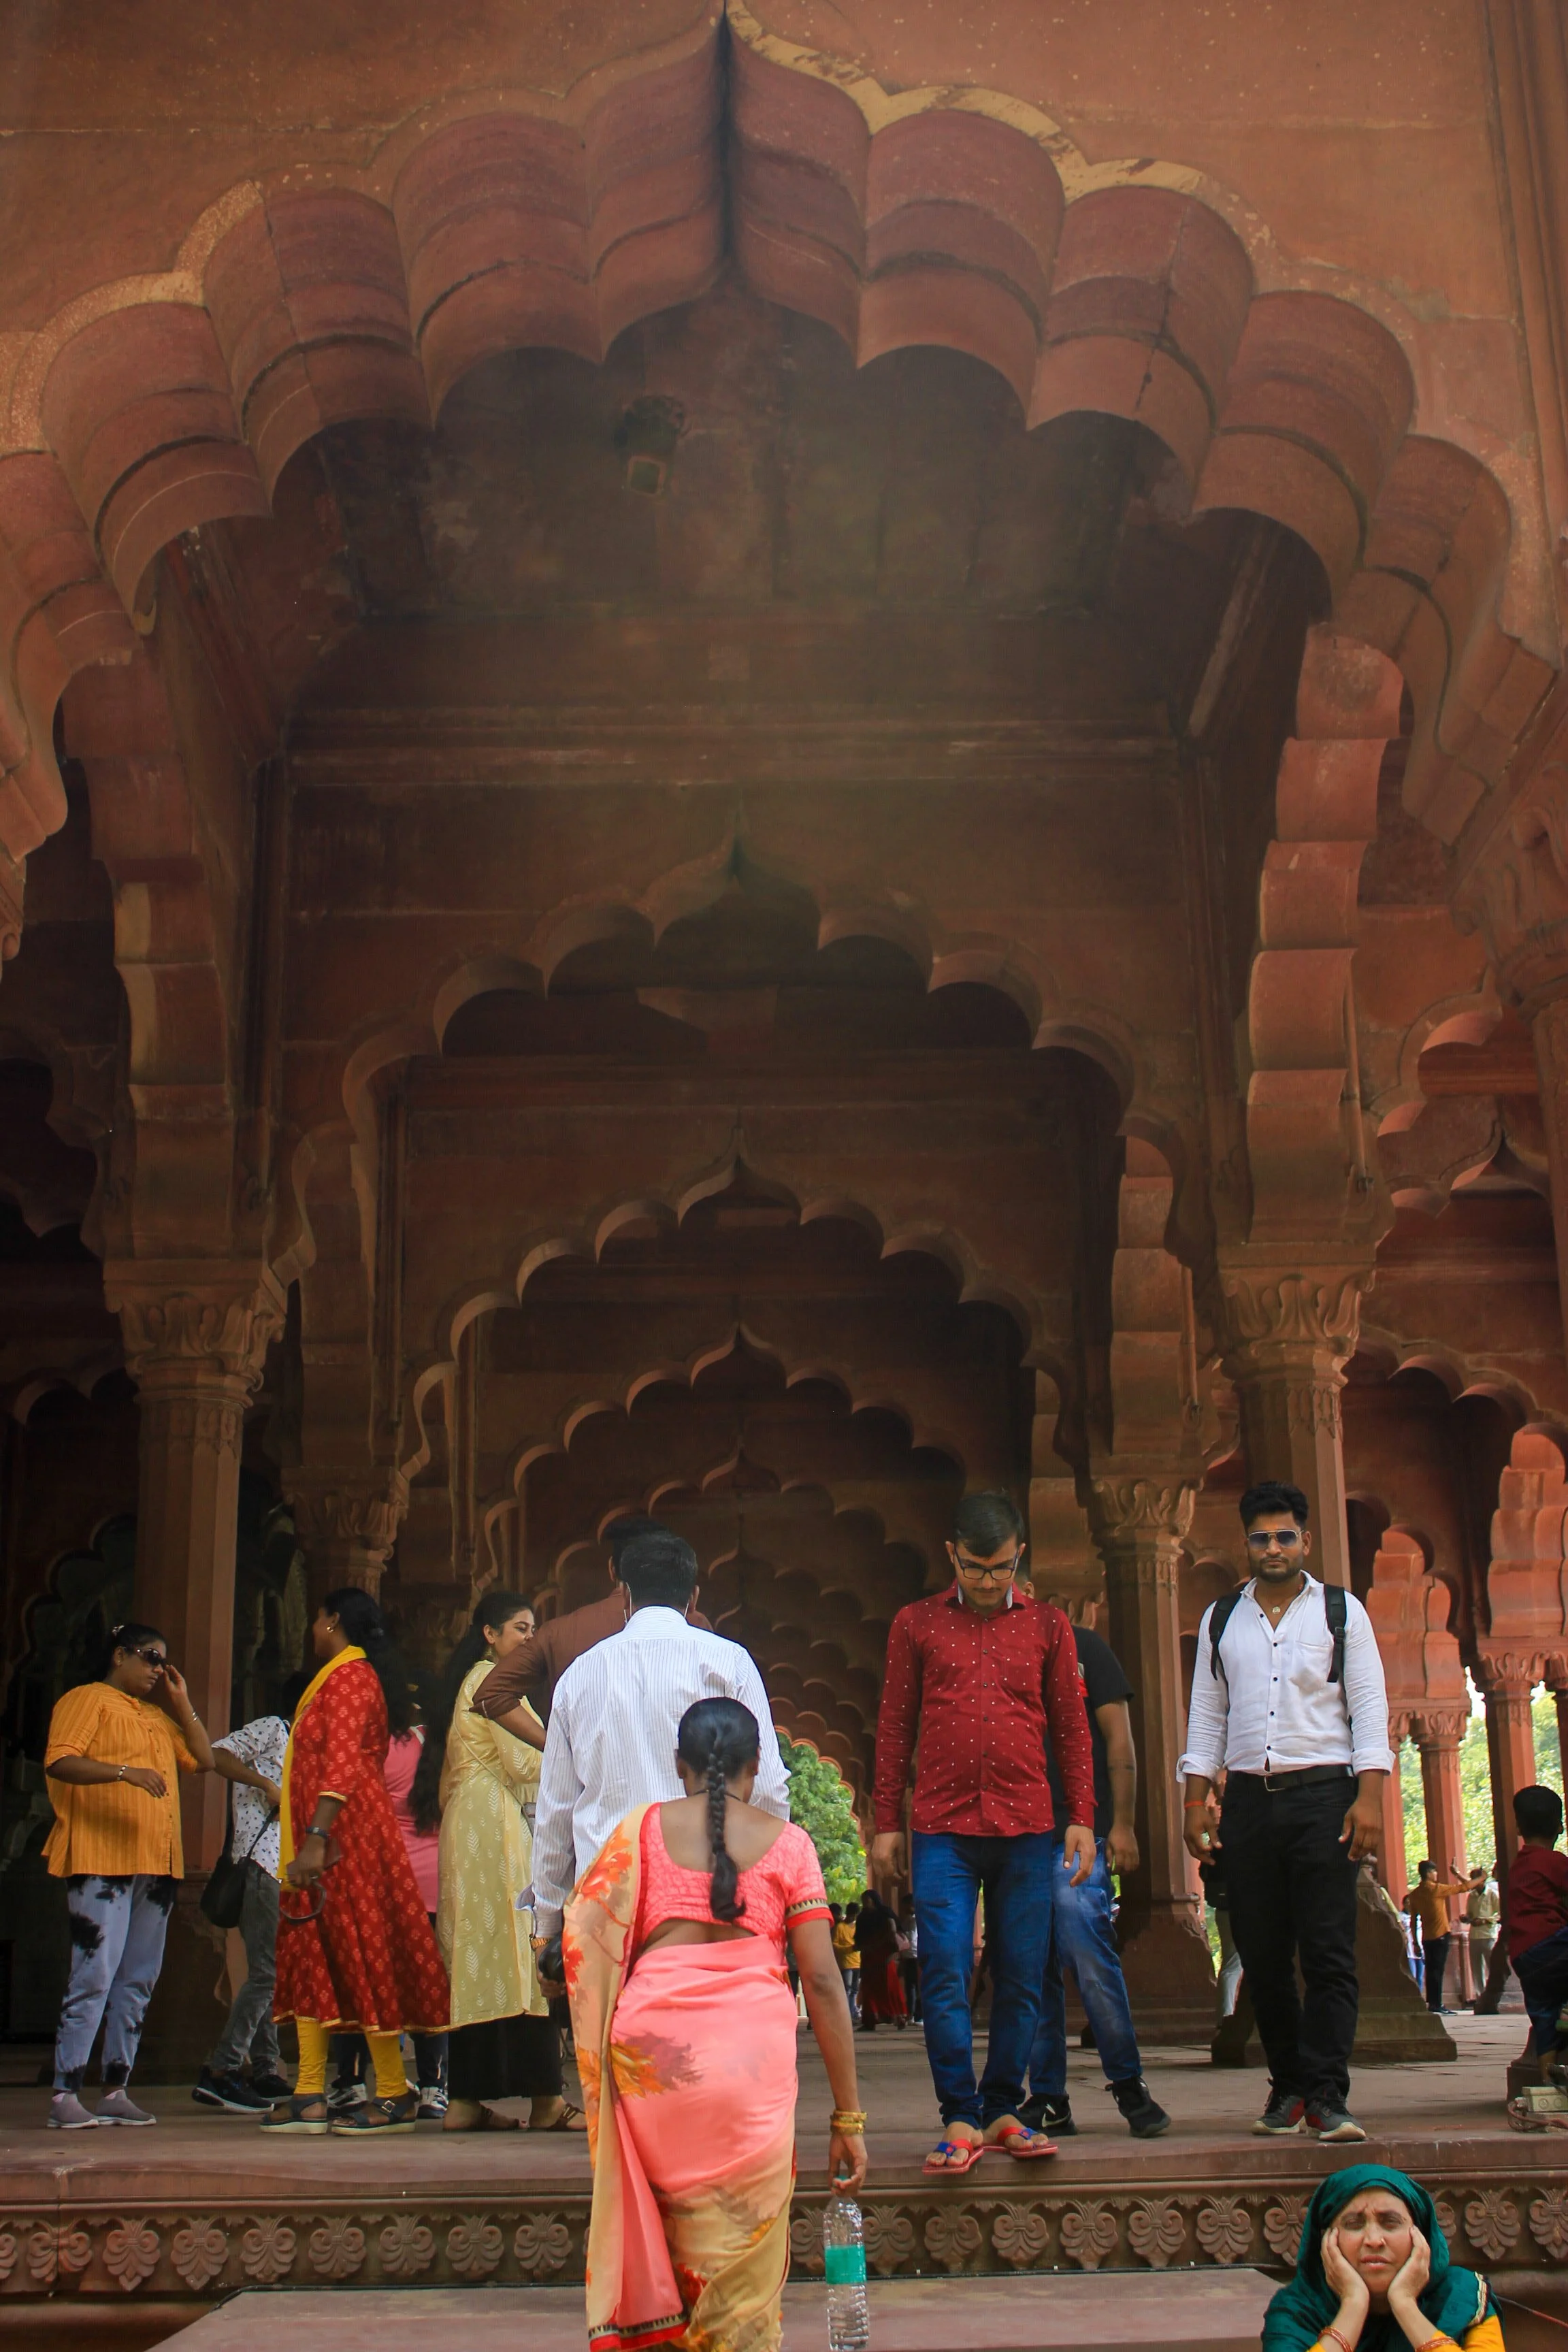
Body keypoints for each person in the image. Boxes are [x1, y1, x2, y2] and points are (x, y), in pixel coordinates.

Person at [564, 1697, 866, 2352]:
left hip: (654, 2061)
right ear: (757, 1769)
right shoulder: (790, 1846)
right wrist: (848, 2118)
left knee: (670, 2246)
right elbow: (820, 1981)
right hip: (748, 2064)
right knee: (742, 2272)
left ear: (679, 1765)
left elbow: (581, 1935)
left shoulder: (638, 1832)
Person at [870, 1490, 1096, 2174]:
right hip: (941, 1825)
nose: (989, 1583)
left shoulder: (1049, 1627)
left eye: (1000, 1569)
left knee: (1024, 1973)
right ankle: (959, 2114)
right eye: (975, 1569)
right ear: (952, 1557)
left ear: (1018, 1556)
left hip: (1027, 1823)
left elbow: (1070, 1727)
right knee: (944, 1966)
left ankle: (1004, 2106)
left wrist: (1081, 1815)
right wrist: (886, 1824)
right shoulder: (916, 1625)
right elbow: (893, 1727)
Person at [1181, 1479, 1392, 2144]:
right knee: (1264, 1954)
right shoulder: (1223, 1619)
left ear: (1306, 1540)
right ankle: (1289, 2087)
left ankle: (1329, 2094)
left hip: (1325, 1794)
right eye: (1260, 1537)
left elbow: (1369, 1708)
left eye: (1285, 1536)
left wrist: (1370, 1795)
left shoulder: (1339, 1613)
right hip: (1248, 1798)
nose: (1273, 1548)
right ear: (1245, 1543)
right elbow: (1206, 1718)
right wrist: (1195, 1798)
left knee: (1329, 1950)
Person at [530, 1529, 789, 1953]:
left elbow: (556, 1811)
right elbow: (768, 1788)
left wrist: (547, 1923)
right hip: (709, 1897)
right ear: (694, 1598)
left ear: (626, 1596)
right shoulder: (729, 1663)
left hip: (607, 1903)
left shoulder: (581, 1674)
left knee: (615, 2020)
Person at [262, 1588, 450, 2136]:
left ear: (331, 1621)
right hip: (323, 1839)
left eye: (317, 1618)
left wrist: (318, 1836)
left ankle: (393, 2091)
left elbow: (342, 1764)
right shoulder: (343, 1677)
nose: (312, 1627)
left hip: (344, 1839)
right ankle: (309, 2092)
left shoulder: (349, 1679)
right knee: (315, 1951)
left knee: (362, 1951)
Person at [411, 1589, 583, 2134]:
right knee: (522, 1949)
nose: (529, 1639)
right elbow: (526, 1760)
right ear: (489, 1633)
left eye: (533, 1629)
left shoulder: (467, 1684)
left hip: (469, 1824)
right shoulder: (494, 1684)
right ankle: (547, 2102)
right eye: (519, 1628)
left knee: (476, 1956)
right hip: (496, 1825)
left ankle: (464, 2103)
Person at [42, 1619, 215, 2129]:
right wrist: (124, 1773)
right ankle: (64, 2094)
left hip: (155, 1863)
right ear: (119, 1655)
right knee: (93, 1973)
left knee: (138, 1978)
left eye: (164, 1662)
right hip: (101, 1858)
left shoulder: (156, 1717)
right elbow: (59, 1761)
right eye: (149, 1657)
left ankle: (116, 2087)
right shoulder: (87, 1699)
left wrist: (182, 1704)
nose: (157, 1670)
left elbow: (203, 1759)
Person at [1014, 1584, 1169, 2139]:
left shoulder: (1084, 1649)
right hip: (1014, 1836)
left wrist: (1122, 1823)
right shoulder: (986, 1657)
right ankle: (1050, 2097)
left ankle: (1128, 2082)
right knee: (1032, 1966)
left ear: (1030, 1589)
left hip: (1078, 1833)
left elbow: (1119, 1743)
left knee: (1085, 1946)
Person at [470, 1516, 701, 1746]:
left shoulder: (560, 1632)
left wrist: (557, 1747)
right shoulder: (695, 1627)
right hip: (680, 1775)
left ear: (612, 1569)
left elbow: (490, 1695)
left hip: (589, 1778)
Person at [194, 1679, 306, 2112]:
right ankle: (220, 2069)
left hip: (283, 1871)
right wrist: (265, 1784)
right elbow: (217, 1755)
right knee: (267, 1974)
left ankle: (264, 2067)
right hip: (261, 1863)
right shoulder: (275, 1729)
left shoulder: (307, 1746)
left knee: (271, 1971)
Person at [1262, 2164, 1503, 2351]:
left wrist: (1405, 2304)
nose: (1374, 2240)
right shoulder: (1296, 2313)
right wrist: (1353, 2305)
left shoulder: (1462, 2297)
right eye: (1354, 2224)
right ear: (1327, 2240)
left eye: (1390, 2223)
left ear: (1420, 2236)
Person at [1503, 1784, 1568, 2075]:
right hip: (1551, 1948)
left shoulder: (1520, 1865)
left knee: (1544, 2021)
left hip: (1524, 1957)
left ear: (1519, 1827)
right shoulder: (1555, 1862)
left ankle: (1549, 2090)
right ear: (1560, 1826)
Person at [1403, 1860, 1483, 2016]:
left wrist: (1415, 1942)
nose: (1436, 1875)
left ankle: (1432, 2003)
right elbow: (1464, 1887)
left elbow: (1414, 1920)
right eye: (1434, 1872)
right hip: (1440, 1935)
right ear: (1428, 1873)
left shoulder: (1415, 1894)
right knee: (1437, 1971)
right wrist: (1482, 1878)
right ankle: (1437, 2004)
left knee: (1431, 1971)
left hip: (1427, 1938)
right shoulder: (1436, 1889)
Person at [855, 1887, 907, 2031]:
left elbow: (894, 1931)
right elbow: (859, 1938)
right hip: (869, 1955)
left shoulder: (885, 1913)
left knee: (889, 1986)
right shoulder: (862, 1917)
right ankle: (870, 2019)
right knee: (869, 1987)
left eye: (867, 1899)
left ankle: (899, 2017)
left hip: (885, 1955)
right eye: (863, 1900)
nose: (865, 1902)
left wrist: (890, 1949)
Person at [1466, 1864, 1501, 1996]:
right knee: (1476, 1969)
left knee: (1492, 1967)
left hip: (1489, 1935)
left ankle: (1494, 1994)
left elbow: (1500, 1915)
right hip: (1474, 1936)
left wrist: (1485, 1920)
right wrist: (1466, 1918)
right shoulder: (1472, 1896)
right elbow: (1470, 1914)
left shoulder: (1493, 1895)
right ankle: (1481, 1996)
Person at [830, 1904, 860, 2019]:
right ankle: (846, 2015)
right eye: (853, 1916)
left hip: (857, 1961)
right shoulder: (840, 1928)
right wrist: (848, 1949)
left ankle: (852, 2013)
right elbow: (834, 1944)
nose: (854, 1918)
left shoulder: (857, 1927)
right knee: (847, 1989)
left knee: (854, 1990)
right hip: (845, 1963)